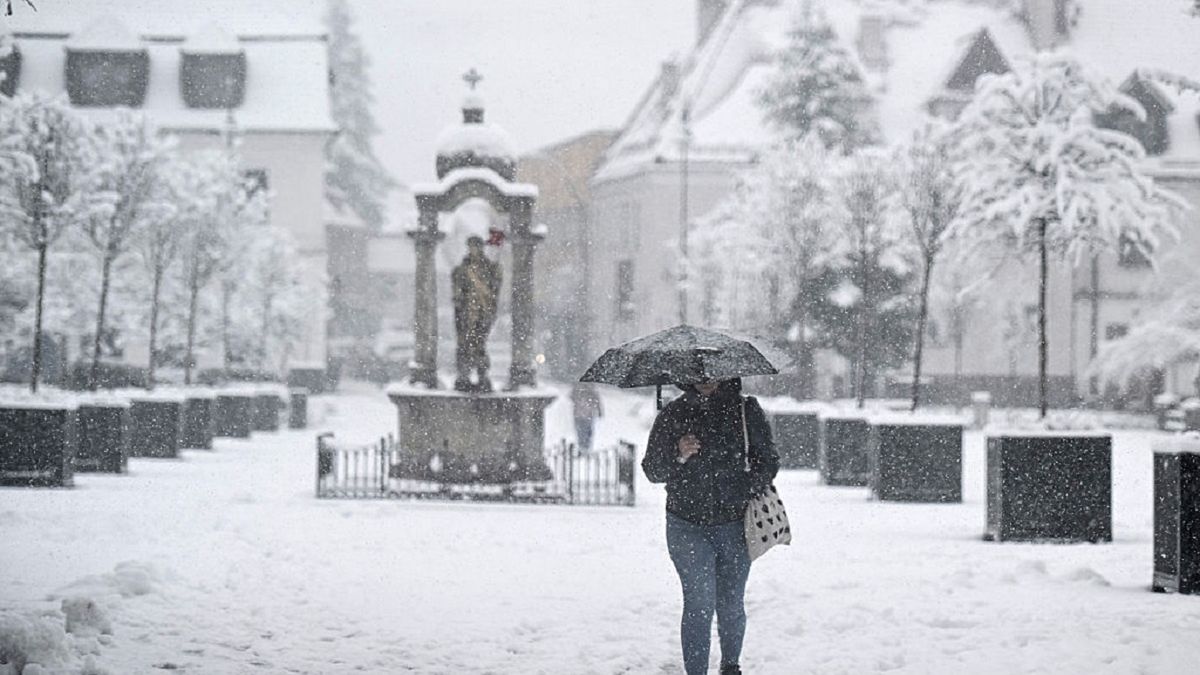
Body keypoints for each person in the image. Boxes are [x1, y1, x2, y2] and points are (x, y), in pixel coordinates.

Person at [642, 378, 778, 675]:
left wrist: (744, 486)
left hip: (735, 523)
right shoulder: (674, 414)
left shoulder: (745, 409)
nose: (705, 380)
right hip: (686, 524)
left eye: (712, 373)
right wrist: (678, 454)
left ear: (727, 373)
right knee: (699, 603)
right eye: (698, 373)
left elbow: (768, 462)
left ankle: (731, 667)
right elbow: (652, 469)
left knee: (730, 604)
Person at [451, 235, 502, 392]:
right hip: (467, 313)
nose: (474, 250)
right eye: (472, 246)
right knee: (464, 344)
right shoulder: (462, 269)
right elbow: (457, 291)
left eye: (477, 246)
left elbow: (494, 288)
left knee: (479, 344)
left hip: (482, 311)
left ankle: (482, 374)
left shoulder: (489, 268)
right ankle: (464, 374)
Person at [571, 382, 604, 452]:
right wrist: (599, 411)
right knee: (585, 432)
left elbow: (571, 397)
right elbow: (597, 400)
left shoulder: (579, 388)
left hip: (581, 414)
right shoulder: (591, 389)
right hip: (586, 415)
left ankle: (584, 447)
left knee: (583, 432)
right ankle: (584, 447)